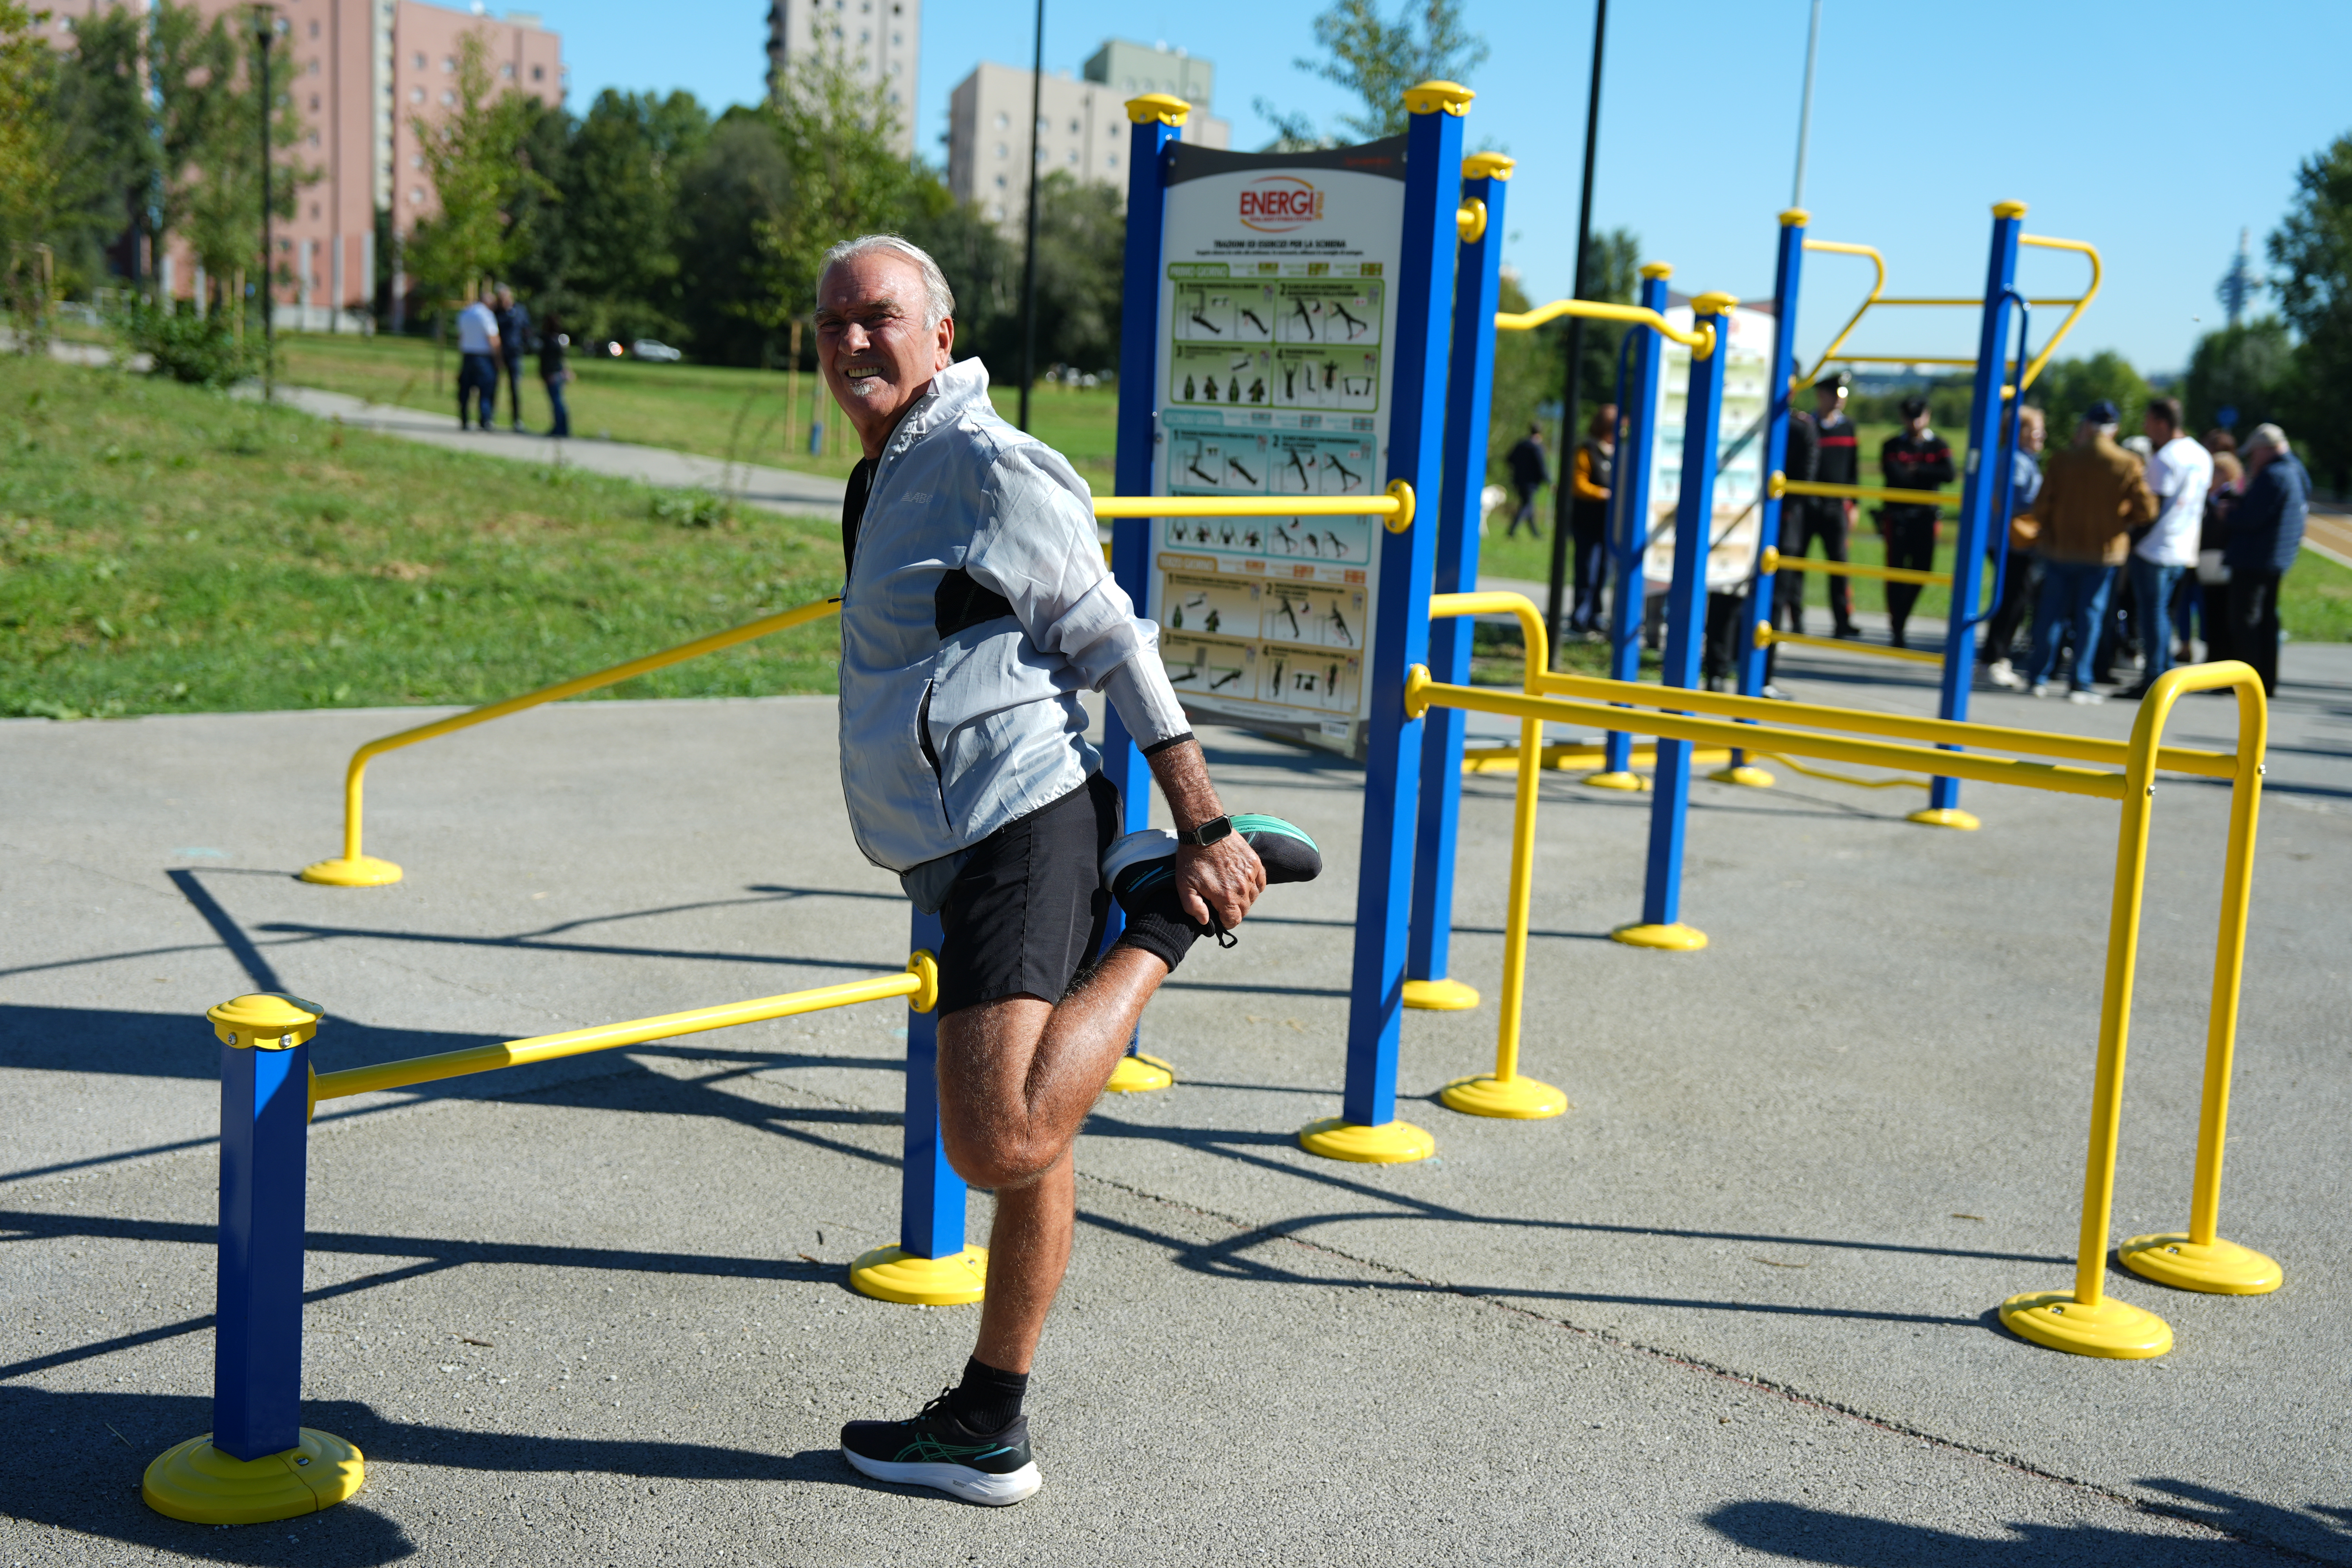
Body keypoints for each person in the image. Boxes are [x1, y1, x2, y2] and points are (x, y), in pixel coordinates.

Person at [817, 235, 1321, 1507]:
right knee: (1040, 1140)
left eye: (877, 317)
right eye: (830, 325)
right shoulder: (886, 474)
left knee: (998, 1138)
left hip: (1017, 825)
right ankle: (989, 1423)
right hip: (961, 839)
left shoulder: (982, 459)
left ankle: (1157, 916)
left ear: (940, 331)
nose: (852, 342)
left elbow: (1109, 632)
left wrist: (1200, 826)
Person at [2018, 400, 2157, 703]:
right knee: (2090, 618)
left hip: (2060, 549)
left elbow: (2041, 507)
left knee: (2050, 616)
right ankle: (2080, 682)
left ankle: (2038, 677)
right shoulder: (2126, 462)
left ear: (2086, 426)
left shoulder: (2063, 460)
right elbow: (2146, 509)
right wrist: (2119, 519)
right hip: (2102, 553)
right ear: (2115, 429)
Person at [2120, 397, 2211, 697]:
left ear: (2162, 423)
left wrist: (2130, 543)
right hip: (2184, 547)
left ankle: (2155, 676)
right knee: (2164, 614)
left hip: (2157, 548)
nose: (2146, 429)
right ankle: (2163, 671)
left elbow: (2151, 510)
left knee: (2152, 614)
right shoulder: (2200, 455)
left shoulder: (2166, 459)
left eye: (2148, 423)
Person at [2221, 423, 2309, 697]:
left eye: (2254, 454)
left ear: (2266, 450)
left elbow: (2253, 518)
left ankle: (2249, 682)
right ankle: (2265, 682)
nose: (2252, 460)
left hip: (2256, 558)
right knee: (2267, 621)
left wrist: (2228, 514)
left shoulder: (2273, 475)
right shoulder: (2296, 470)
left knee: (2247, 621)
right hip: (2276, 556)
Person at [1777, 374, 1860, 639]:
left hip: (1836, 506)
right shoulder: (1806, 424)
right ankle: (1797, 619)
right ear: (1821, 395)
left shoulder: (1848, 428)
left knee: (1839, 565)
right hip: (1807, 505)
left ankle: (1842, 620)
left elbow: (1853, 469)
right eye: (1833, 394)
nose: (1838, 400)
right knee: (1796, 564)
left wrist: (1854, 503)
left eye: (1841, 395)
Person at [1877, 395, 1955, 649]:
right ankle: (1897, 626)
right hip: (1898, 518)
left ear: (1928, 415)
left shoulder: (1938, 444)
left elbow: (1949, 474)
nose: (1915, 421)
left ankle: (1902, 617)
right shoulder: (1892, 444)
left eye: (1919, 415)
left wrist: (1915, 470)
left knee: (1922, 572)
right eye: (1910, 416)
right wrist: (1923, 473)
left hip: (1925, 518)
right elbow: (1895, 475)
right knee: (1896, 573)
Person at [1984, 405, 2045, 688]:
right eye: (2035, 430)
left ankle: (1997, 657)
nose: (2042, 435)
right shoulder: (2014, 460)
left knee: (2015, 600)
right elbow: (2015, 498)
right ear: (2019, 432)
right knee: (2011, 601)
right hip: (2011, 541)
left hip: (2011, 540)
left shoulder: (2023, 458)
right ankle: (1993, 658)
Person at [2193, 429, 2245, 664]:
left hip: (2222, 563)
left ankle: (2220, 663)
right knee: (2213, 617)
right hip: (2211, 562)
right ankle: (2215, 660)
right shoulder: (2213, 497)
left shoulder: (2230, 498)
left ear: (2226, 474)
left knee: (2221, 618)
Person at [1566, 405, 1615, 636]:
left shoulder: (1617, 451)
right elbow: (1578, 484)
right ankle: (1580, 616)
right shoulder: (1586, 450)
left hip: (1609, 524)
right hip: (1587, 520)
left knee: (1604, 570)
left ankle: (1596, 615)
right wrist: (1603, 494)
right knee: (1587, 570)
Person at [453, 289, 500, 431]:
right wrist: (498, 358)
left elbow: (460, 336)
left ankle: (464, 419)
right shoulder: (486, 316)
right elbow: (493, 339)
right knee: (486, 389)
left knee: (465, 389)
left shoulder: (465, 313)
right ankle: (485, 420)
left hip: (467, 355)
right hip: (483, 357)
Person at [492, 285, 532, 432]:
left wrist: (523, 346)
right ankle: (489, 418)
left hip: (515, 355)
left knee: (515, 388)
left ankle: (516, 420)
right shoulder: (495, 313)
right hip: (498, 354)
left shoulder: (520, 311)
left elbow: (527, 329)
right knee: (494, 386)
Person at [1505, 422, 1549, 539]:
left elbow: (1509, 459)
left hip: (1518, 480)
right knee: (1527, 505)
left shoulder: (1521, 445)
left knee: (1529, 505)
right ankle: (1512, 530)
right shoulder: (1537, 448)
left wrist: (1519, 469)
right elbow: (1541, 466)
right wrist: (1549, 481)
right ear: (1540, 433)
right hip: (1531, 482)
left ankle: (1535, 533)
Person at [538, 311, 572, 439]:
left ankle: (561, 428)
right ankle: (561, 427)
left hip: (553, 374)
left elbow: (549, 360)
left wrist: (548, 373)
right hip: (558, 373)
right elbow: (562, 358)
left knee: (557, 402)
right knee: (559, 401)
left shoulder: (548, 341)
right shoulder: (558, 339)